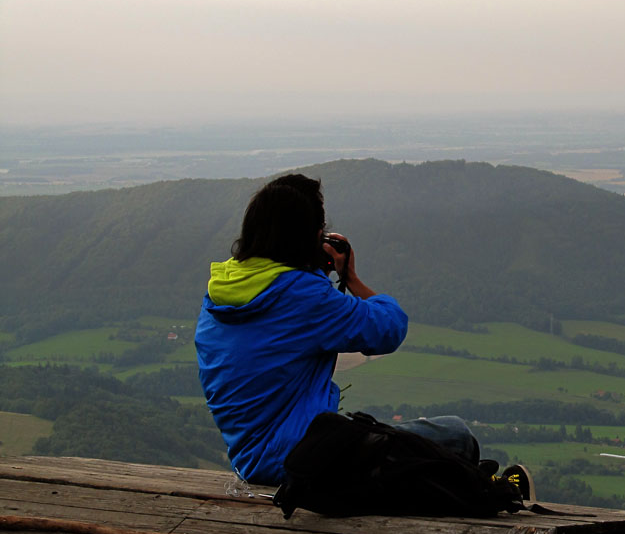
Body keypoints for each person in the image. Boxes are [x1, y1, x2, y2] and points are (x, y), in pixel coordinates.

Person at [195, 173, 512, 493]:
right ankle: (490, 491)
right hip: (301, 459)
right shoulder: (303, 296)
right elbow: (389, 329)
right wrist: (350, 277)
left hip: (250, 459)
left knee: (406, 448)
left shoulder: (220, 293)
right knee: (456, 436)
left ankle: (482, 486)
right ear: (313, 237)